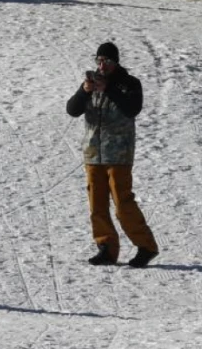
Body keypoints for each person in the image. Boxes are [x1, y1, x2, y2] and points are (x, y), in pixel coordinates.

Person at [65, 42, 160, 268]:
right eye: (99, 60)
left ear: (116, 62)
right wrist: (84, 90)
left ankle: (146, 246)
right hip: (93, 153)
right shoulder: (92, 83)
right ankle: (106, 247)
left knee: (122, 203)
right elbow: (72, 109)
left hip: (119, 153)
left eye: (106, 61)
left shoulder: (129, 83)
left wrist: (108, 88)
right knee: (96, 204)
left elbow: (132, 108)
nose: (102, 65)